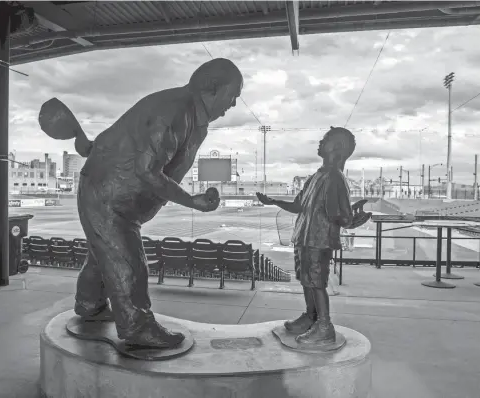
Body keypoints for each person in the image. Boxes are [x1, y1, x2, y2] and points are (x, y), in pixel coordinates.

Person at [73, 58, 243, 348]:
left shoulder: (187, 112)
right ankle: (137, 327)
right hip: (110, 197)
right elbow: (147, 170)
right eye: (233, 94)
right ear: (212, 88)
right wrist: (192, 200)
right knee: (128, 263)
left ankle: (89, 304)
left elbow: (119, 139)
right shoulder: (176, 109)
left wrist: (91, 145)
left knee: (104, 255)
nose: (234, 104)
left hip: (114, 195)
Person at [256, 127, 371, 346]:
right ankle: (311, 317)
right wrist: (274, 201)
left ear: (336, 148)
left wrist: (350, 218)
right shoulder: (317, 176)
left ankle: (325, 326)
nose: (320, 141)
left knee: (317, 283)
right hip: (305, 238)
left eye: (326, 139)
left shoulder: (335, 178)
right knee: (307, 280)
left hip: (320, 239)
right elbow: (299, 205)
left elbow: (340, 214)